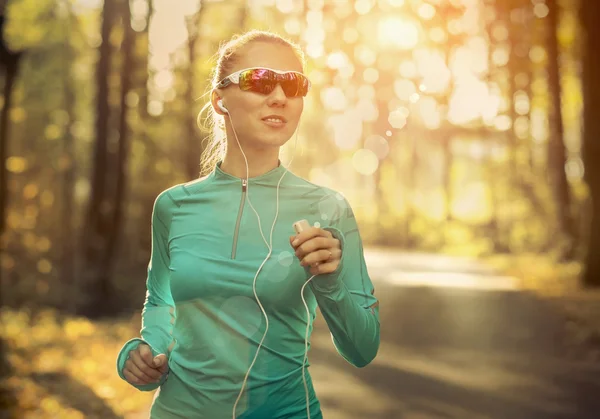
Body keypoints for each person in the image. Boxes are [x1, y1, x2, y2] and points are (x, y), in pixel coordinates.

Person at [115, 29, 380, 419]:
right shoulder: (173, 205)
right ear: (219, 100)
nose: (279, 96)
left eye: (293, 84)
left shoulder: (327, 208)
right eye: (259, 80)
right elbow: (161, 302)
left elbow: (363, 350)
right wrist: (141, 356)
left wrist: (331, 283)